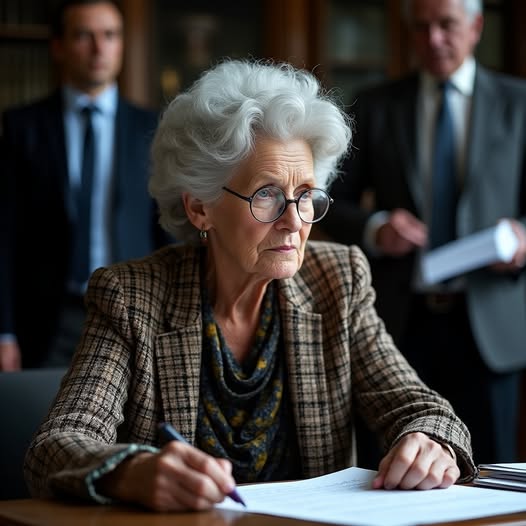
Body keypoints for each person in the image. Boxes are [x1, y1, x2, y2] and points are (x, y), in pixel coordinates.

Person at [24, 58, 477, 512]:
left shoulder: (338, 280)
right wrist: (130, 471)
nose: (293, 221)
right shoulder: (132, 297)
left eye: (305, 195)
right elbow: (56, 446)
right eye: (266, 194)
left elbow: (421, 408)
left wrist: (430, 441)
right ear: (199, 208)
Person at [320, 0, 526, 466]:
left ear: (475, 27)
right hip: (399, 324)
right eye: (421, 27)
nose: (433, 39)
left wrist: (521, 239)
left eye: (446, 25)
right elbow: (325, 200)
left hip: (489, 327)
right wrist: (375, 228)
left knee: (491, 472)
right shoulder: (376, 104)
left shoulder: (518, 102)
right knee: (396, 467)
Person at [0, 0, 168, 370]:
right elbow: (5, 235)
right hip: (45, 318)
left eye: (110, 35)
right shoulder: (22, 127)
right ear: (58, 46)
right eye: (83, 36)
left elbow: (167, 229)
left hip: (132, 310)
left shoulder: (151, 128)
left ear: (121, 44)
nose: (99, 48)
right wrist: (4, 331)